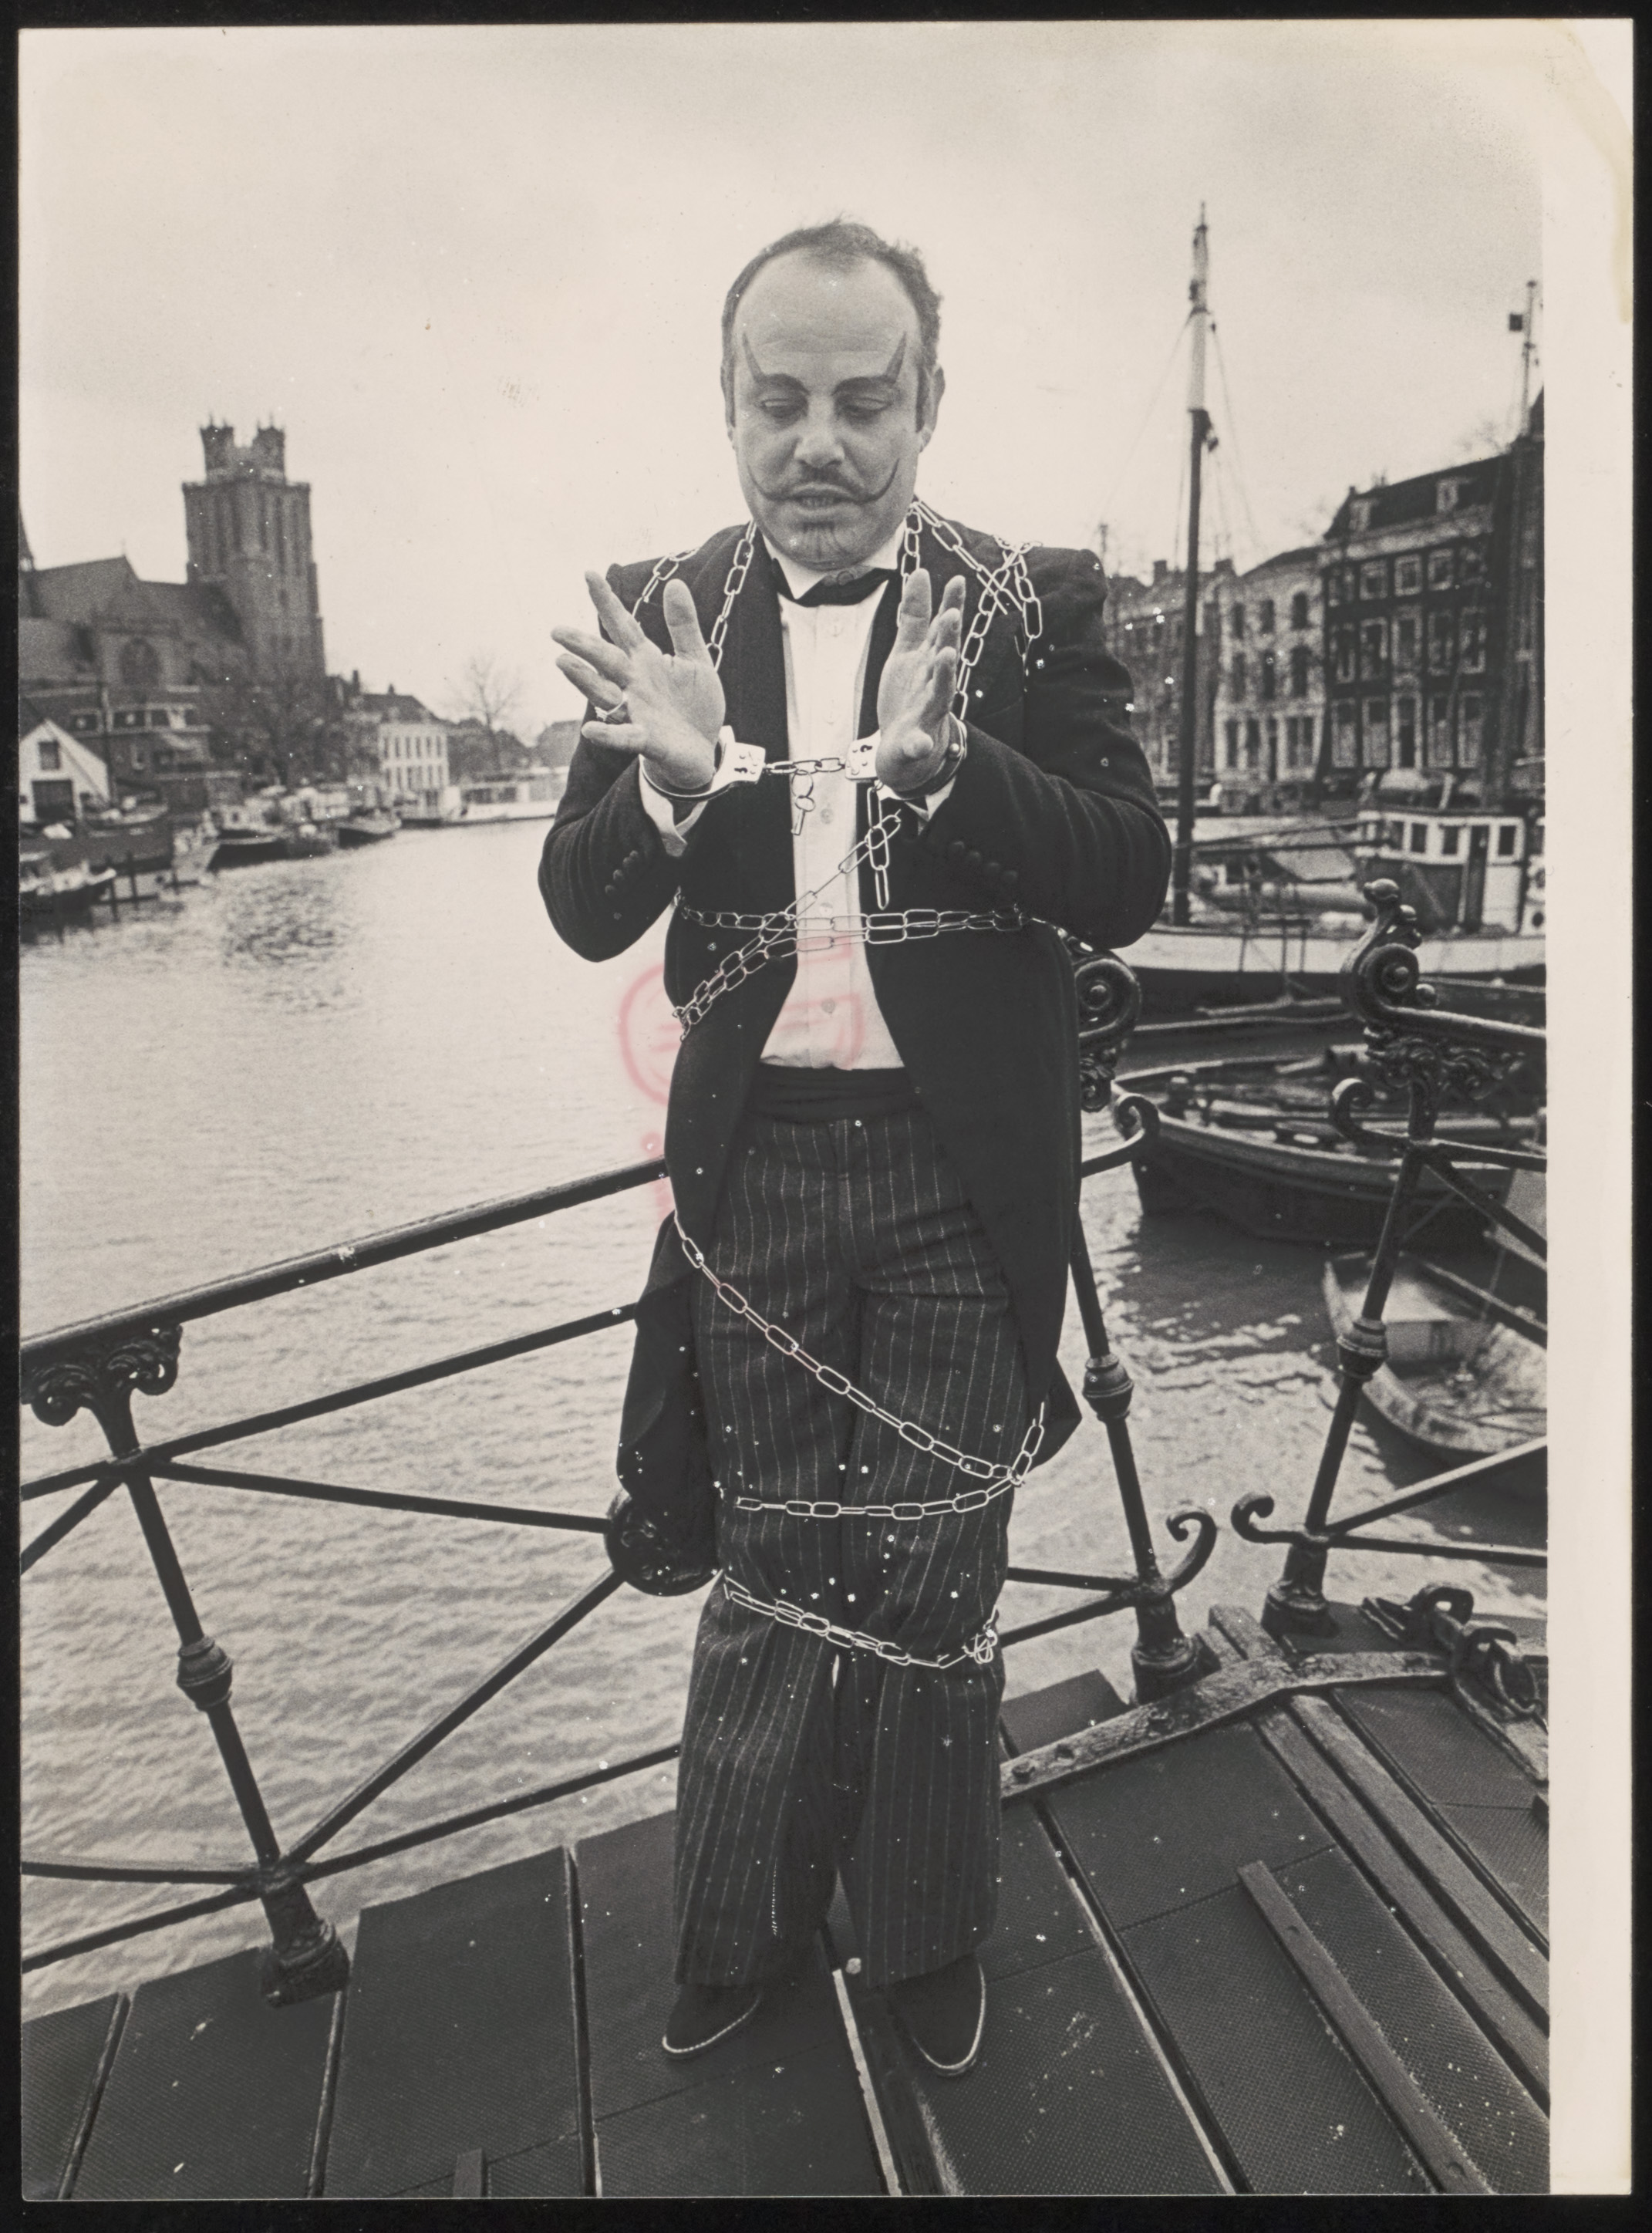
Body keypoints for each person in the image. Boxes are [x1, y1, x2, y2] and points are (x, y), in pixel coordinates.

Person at [541, 219, 1168, 2078]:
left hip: (967, 1178)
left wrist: (955, 773)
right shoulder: (663, 604)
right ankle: (735, 1929)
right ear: (730, 402)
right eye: (781, 399)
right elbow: (582, 907)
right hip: (754, 1173)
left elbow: (1130, 877)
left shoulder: (1033, 602)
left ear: (928, 403)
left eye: (864, 402)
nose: (819, 443)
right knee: (770, 1566)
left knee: (937, 1574)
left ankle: (921, 1934)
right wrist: (664, 788)